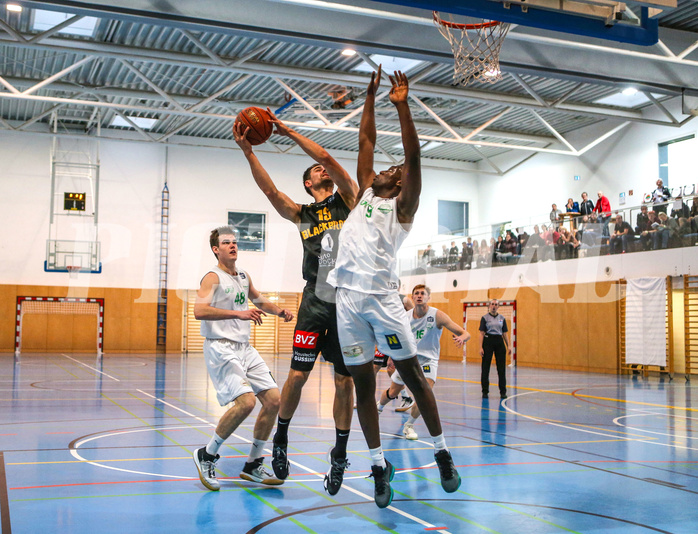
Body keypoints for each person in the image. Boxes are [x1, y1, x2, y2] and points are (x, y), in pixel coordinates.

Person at [327, 67, 461, 508]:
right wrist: (368, 98)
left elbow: (414, 158)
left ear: (400, 183)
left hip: (383, 302)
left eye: (392, 169)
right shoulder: (367, 194)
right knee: (363, 388)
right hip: (346, 301)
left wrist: (402, 106)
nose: (384, 169)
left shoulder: (402, 208)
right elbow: (366, 142)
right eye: (385, 168)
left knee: (413, 377)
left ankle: (441, 453)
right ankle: (379, 464)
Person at [233, 110, 359, 495]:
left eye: (325, 169)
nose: (324, 171)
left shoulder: (347, 201)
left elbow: (330, 159)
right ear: (308, 183)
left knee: (343, 382)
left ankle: (339, 454)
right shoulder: (303, 214)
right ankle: (281, 441)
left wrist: (285, 129)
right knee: (298, 376)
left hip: (348, 304)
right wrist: (248, 152)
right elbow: (271, 193)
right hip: (314, 302)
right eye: (317, 171)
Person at [192, 226, 294, 491]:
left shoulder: (244, 276)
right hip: (221, 348)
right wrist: (238, 314)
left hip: (245, 348)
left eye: (235, 242)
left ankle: (252, 464)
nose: (232, 245)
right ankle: (207, 454)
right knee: (246, 403)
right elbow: (199, 311)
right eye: (226, 243)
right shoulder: (212, 278)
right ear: (216, 249)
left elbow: (259, 301)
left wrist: (279, 310)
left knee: (273, 401)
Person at [377, 284, 471, 440]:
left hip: (428, 360)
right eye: (416, 293)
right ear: (412, 297)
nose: (419, 295)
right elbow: (398, 339)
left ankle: (409, 426)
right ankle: (378, 408)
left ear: (428, 297)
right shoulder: (405, 317)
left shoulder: (437, 316)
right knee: (393, 392)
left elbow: (464, 332)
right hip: (408, 359)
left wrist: (462, 337)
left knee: (425, 394)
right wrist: (391, 357)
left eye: (423, 293)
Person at [479, 299, 511, 400]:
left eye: (496, 304)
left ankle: (503, 391)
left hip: (499, 342)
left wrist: (508, 345)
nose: (494, 306)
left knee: (501, 368)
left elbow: (505, 333)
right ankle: (485, 391)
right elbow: (481, 333)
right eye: (492, 304)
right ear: (489, 306)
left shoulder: (502, 318)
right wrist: (480, 347)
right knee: (485, 367)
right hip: (488, 341)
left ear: (498, 306)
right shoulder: (485, 318)